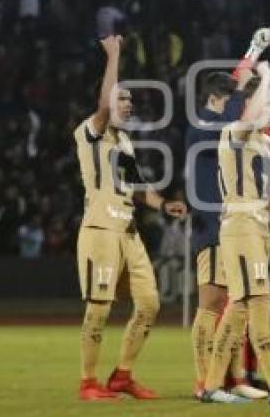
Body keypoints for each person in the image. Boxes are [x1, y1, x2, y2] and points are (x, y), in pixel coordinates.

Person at [75, 35, 188, 401]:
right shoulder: (90, 133)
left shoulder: (124, 142)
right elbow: (104, 107)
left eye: (130, 99)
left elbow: (137, 186)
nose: (128, 103)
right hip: (100, 229)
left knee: (150, 304)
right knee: (99, 307)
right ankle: (88, 382)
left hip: (129, 232)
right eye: (121, 97)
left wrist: (162, 204)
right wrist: (115, 55)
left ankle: (122, 375)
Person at [186, 28, 270, 400]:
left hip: (228, 225)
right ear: (218, 98)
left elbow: (238, 91)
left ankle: (233, 377)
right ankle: (205, 381)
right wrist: (258, 68)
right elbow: (241, 107)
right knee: (211, 304)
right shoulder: (203, 125)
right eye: (235, 98)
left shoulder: (219, 120)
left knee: (234, 302)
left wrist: (253, 51)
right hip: (211, 226)